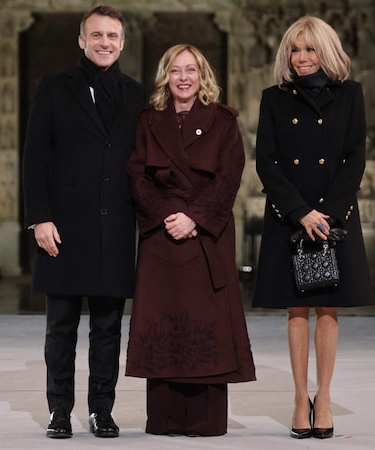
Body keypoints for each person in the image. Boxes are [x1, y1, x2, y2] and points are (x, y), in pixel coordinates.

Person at [21, 5, 146, 440]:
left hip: (114, 228)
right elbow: (35, 158)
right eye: (97, 35)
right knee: (61, 327)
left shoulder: (136, 94)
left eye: (112, 35)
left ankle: (101, 410)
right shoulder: (55, 89)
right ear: (82, 40)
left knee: (108, 328)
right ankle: (59, 410)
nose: (105, 42)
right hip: (64, 229)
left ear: (122, 42)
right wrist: (39, 218)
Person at [252, 16, 375, 439]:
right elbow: (265, 162)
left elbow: (354, 158)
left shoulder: (350, 96)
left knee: (328, 308)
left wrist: (327, 213)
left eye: (309, 48)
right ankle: (297, 396)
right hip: (290, 215)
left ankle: (323, 397)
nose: (301, 57)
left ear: (327, 51)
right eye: (295, 49)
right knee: (295, 310)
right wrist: (301, 213)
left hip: (333, 217)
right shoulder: (273, 98)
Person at [125, 44, 256, 436]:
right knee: (164, 321)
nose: (183, 78)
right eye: (176, 70)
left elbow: (230, 177)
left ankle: (204, 420)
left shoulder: (223, 121)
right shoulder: (149, 121)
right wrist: (168, 215)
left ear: (203, 77)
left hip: (205, 238)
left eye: (191, 71)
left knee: (206, 322)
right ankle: (164, 419)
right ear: (165, 76)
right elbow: (136, 175)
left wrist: (194, 217)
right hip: (161, 236)